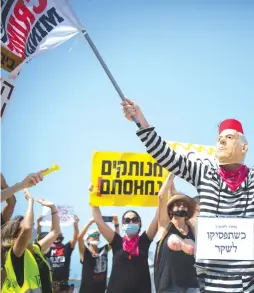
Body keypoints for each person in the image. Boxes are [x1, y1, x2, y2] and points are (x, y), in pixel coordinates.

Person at [122, 99, 254, 292]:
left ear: (244, 147)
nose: (222, 141)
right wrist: (140, 120)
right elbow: (165, 154)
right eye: (219, 139)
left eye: (230, 138)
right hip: (209, 283)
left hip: (247, 284)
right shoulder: (204, 173)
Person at [92, 199, 158, 293]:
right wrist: (94, 200)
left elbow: (157, 219)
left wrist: (163, 198)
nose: (131, 222)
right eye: (127, 220)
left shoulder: (144, 241)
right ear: (122, 224)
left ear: (139, 223)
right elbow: (99, 222)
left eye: (134, 220)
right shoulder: (117, 241)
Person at [1, 188, 60, 293]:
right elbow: (27, 228)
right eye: (28, 227)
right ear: (17, 235)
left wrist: (53, 208)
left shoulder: (36, 249)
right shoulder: (15, 254)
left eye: (33, 225)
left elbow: (55, 232)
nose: (31, 229)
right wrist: (30, 202)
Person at [155, 173, 199, 293]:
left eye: (184, 205)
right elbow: (161, 197)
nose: (182, 207)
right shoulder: (165, 226)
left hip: (192, 286)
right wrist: (171, 174)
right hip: (169, 286)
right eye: (178, 204)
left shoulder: (192, 228)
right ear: (171, 209)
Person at [44, 215, 80, 293]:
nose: (57, 237)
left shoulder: (66, 248)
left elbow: (75, 237)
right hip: (50, 284)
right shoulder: (47, 249)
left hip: (63, 285)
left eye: (59, 235)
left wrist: (75, 225)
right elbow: (39, 239)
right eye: (56, 235)